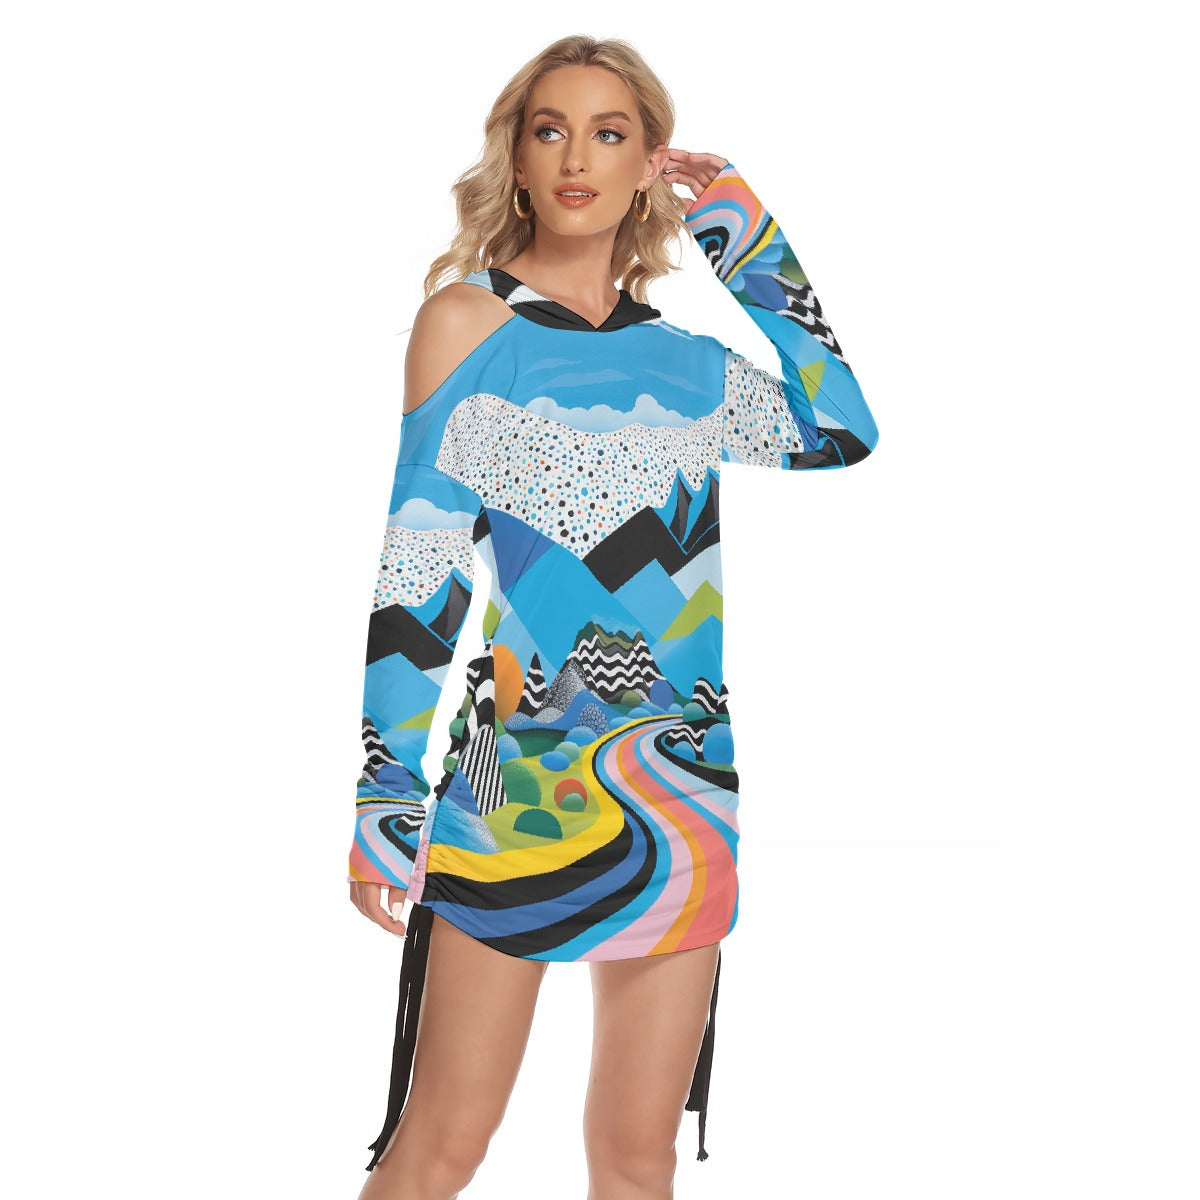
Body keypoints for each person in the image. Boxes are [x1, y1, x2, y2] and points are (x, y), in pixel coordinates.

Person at [347, 33, 879, 1200]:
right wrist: (387, 789)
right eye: (550, 131)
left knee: (638, 1163)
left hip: (684, 792)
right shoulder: (468, 326)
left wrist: (742, 231)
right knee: (440, 1149)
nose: (576, 158)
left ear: (649, 166)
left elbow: (843, 427)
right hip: (507, 786)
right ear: (518, 158)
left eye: (609, 133)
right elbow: (419, 569)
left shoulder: (687, 366)